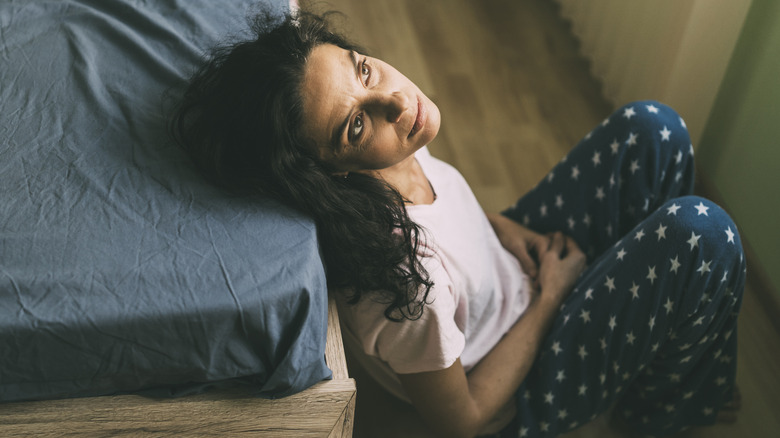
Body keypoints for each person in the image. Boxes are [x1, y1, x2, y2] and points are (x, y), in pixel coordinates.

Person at [171, 7, 746, 438]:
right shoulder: (400, 280)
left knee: (654, 129)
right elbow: (462, 420)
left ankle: (657, 360)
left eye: (365, 70)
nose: (397, 103)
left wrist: (502, 229)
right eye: (354, 127)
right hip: (520, 380)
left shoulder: (394, 150)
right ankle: (664, 411)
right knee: (702, 235)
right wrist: (552, 296)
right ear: (329, 174)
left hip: (513, 272)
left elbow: (448, 219)